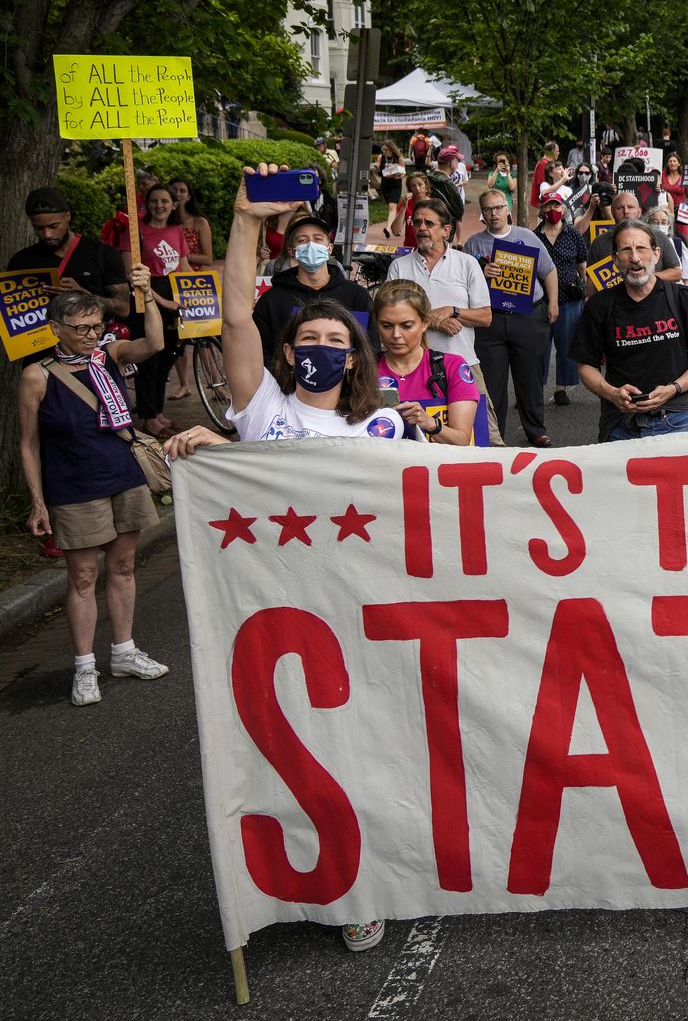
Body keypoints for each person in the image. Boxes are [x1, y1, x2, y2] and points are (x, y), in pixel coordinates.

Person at [163, 165, 405, 955]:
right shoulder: (262, 410)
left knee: (361, 754)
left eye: (338, 342)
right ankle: (312, 881)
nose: (323, 350)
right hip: (272, 617)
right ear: (289, 350)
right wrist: (242, 221)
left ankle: (365, 877)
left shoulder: (383, 431)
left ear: (356, 356)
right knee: (289, 758)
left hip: (356, 615)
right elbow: (236, 313)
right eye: (310, 339)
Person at [18, 270, 168, 707]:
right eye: (80, 328)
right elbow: (28, 445)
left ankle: (123, 651)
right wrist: (37, 502)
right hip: (73, 485)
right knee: (83, 576)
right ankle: (84, 668)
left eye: (96, 326)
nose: (90, 335)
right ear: (55, 330)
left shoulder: (111, 356)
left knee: (123, 567)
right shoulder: (37, 376)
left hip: (122, 474)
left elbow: (155, 344)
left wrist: (147, 296)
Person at [569, 220, 688, 441]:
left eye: (641, 249)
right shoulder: (599, 306)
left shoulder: (685, 300)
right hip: (620, 424)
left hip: (675, 420)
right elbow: (586, 366)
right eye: (626, 250)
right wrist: (612, 393)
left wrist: (673, 389)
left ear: (656, 255)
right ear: (615, 259)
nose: (635, 258)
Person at [385, 197, 499, 445]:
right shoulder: (399, 267)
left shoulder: (467, 264)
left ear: (446, 230)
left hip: (464, 364)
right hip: (415, 369)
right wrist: (435, 320)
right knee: (418, 440)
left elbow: (485, 317)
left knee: (486, 439)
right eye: (417, 223)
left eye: (429, 223)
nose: (422, 228)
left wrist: (453, 310)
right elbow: (390, 314)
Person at [464, 189, 561, 447]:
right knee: (492, 381)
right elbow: (464, 283)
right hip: (491, 320)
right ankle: (496, 435)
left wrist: (553, 303)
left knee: (529, 377)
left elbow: (549, 271)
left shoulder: (527, 237)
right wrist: (481, 271)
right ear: (482, 214)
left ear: (508, 209)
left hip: (528, 316)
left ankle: (535, 429)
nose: (494, 214)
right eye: (488, 209)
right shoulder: (474, 244)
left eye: (498, 208)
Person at [372, 279, 479, 446]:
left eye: (406, 325)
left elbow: (462, 440)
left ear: (425, 323)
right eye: (386, 326)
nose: (396, 334)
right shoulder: (363, 368)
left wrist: (429, 423)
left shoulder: (452, 367)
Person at [10, 187, 129, 325]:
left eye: (54, 226)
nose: (47, 234)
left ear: (67, 216)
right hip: (40, 342)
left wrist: (85, 297)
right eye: (39, 228)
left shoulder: (103, 254)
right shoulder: (21, 261)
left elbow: (123, 310)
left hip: (90, 342)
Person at [253, 214, 374, 350]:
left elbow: (370, 350)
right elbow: (261, 354)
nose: (311, 245)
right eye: (302, 240)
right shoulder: (271, 301)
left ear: (330, 248)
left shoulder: (357, 297)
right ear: (292, 251)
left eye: (318, 239)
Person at [123, 183, 187, 437]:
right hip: (146, 297)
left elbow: (184, 269)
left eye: (165, 201)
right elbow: (132, 274)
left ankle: (158, 412)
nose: (159, 206)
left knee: (167, 358)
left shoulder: (177, 230)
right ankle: (148, 417)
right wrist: (161, 301)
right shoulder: (135, 233)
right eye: (154, 201)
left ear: (174, 205)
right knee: (149, 358)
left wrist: (204, 295)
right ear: (147, 204)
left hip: (173, 293)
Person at [533, 192, 590, 406]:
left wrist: (580, 284)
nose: (552, 210)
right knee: (539, 346)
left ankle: (561, 388)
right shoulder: (534, 236)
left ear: (564, 209)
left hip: (569, 297)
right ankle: (535, 387)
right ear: (541, 210)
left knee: (566, 344)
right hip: (541, 299)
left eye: (556, 205)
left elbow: (582, 263)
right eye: (547, 206)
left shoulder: (573, 234)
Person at [585, 190, 684, 282]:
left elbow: (676, 273)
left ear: (639, 212)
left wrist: (645, 278)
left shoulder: (659, 236)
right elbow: (591, 282)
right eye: (620, 208)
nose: (626, 211)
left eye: (630, 207)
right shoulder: (599, 243)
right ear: (612, 212)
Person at [168, 178, 216, 270]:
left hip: (192, 277)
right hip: (165, 274)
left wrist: (183, 257)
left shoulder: (200, 222)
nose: (178, 194)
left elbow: (208, 259)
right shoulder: (162, 221)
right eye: (174, 190)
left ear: (189, 197)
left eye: (182, 191)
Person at [385, 173, 433, 246]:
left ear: (426, 186)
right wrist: (404, 207)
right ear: (410, 189)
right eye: (413, 186)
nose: (417, 188)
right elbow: (395, 231)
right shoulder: (406, 204)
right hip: (411, 249)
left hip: (430, 248)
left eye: (420, 184)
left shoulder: (435, 204)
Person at [378, 140, 407, 206]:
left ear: (392, 149)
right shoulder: (381, 157)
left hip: (395, 185)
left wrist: (397, 176)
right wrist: (376, 169)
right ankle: (396, 215)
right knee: (390, 206)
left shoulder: (399, 158)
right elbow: (378, 172)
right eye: (383, 149)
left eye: (386, 150)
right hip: (385, 185)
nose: (384, 152)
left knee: (392, 206)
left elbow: (404, 173)